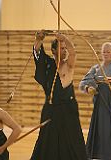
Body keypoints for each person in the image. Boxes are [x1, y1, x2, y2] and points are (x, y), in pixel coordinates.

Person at [30, 30, 87, 160]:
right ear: (54, 51)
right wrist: (38, 39)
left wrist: (65, 39)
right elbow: (38, 55)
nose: (65, 51)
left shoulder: (68, 65)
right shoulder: (48, 64)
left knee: (72, 137)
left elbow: (73, 52)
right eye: (61, 48)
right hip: (51, 107)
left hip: (68, 108)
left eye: (65, 48)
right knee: (47, 137)